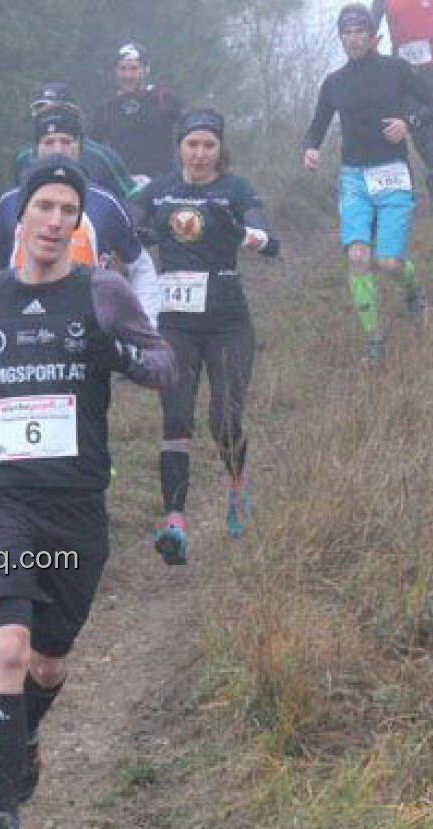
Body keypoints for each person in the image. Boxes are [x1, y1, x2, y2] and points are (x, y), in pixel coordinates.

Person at [0, 157, 174, 829]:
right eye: (44, 208)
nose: (56, 221)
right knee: (8, 645)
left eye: (69, 210)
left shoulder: (104, 292)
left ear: (79, 224)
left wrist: (113, 350)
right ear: (19, 220)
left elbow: (164, 367)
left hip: (76, 509)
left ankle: (23, 735)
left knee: (48, 662)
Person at [129, 108, 279, 563]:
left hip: (228, 323)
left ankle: (236, 484)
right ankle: (174, 522)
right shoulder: (159, 190)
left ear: (220, 150)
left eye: (208, 146)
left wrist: (241, 232)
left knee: (225, 419)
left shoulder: (234, 188)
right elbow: (124, 231)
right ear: (180, 148)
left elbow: (271, 243)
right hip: (176, 324)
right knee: (175, 419)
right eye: (191, 145)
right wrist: (141, 233)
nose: (199, 154)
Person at [302, 4, 433, 367]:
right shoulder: (333, 82)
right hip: (354, 178)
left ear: (372, 35)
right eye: (346, 33)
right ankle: (374, 340)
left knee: (389, 263)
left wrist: (408, 123)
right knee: (357, 257)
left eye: (359, 32)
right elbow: (317, 125)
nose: (353, 39)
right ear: (341, 37)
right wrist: (309, 149)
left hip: (393, 174)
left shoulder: (396, 69)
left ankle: (414, 294)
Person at [0, 105, 162, 326]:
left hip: (87, 333)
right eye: (49, 142)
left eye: (66, 141)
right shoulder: (9, 203)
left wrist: (146, 327)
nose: (58, 150)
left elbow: (142, 269)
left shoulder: (106, 202)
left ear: (79, 148)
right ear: (36, 149)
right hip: (20, 328)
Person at [371, 1, 433, 204]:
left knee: (432, 113)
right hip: (402, 65)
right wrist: (368, 46)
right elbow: (371, 24)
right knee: (413, 118)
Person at [13, 82, 135, 200]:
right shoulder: (23, 157)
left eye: (52, 107)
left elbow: (130, 198)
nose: (45, 113)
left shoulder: (102, 157)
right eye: (39, 108)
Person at [91, 41, 184, 185]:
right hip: (123, 186)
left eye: (134, 68)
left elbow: (186, 138)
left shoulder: (164, 100)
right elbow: (93, 147)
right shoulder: (106, 107)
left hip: (162, 184)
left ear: (146, 70)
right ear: (115, 71)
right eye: (123, 68)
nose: (128, 75)